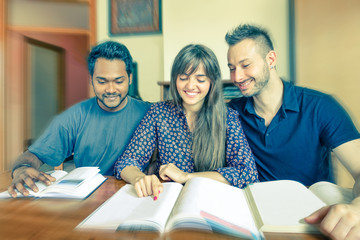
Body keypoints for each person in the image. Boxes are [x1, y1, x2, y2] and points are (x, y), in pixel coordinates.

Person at [225, 24, 360, 240]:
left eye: (245, 65)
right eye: (232, 67)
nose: (237, 77)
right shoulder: (231, 113)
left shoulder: (321, 107)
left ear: (271, 60)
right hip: (255, 223)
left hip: (310, 223)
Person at [114, 44, 259, 200]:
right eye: (183, 78)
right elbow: (127, 161)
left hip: (213, 202)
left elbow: (247, 172)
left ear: (212, 82)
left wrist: (187, 177)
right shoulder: (158, 112)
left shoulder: (228, 118)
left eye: (200, 79)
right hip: (166, 201)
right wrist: (138, 178)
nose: (190, 86)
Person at [8, 41, 151, 198]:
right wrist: (21, 168)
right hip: (90, 197)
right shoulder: (75, 116)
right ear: (91, 79)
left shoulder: (150, 113)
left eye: (119, 81)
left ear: (130, 78)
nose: (111, 90)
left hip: (137, 194)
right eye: (102, 81)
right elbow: (34, 154)